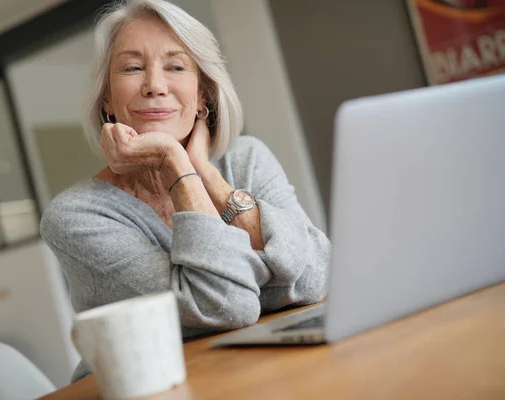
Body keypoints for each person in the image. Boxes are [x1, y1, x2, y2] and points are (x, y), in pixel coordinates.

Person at [40, 0, 330, 381]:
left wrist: (207, 175)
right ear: (107, 99)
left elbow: (316, 277)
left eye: (175, 67)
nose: (154, 86)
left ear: (203, 95)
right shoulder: (76, 216)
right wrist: (175, 160)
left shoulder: (247, 160)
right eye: (132, 68)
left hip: (256, 374)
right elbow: (226, 305)